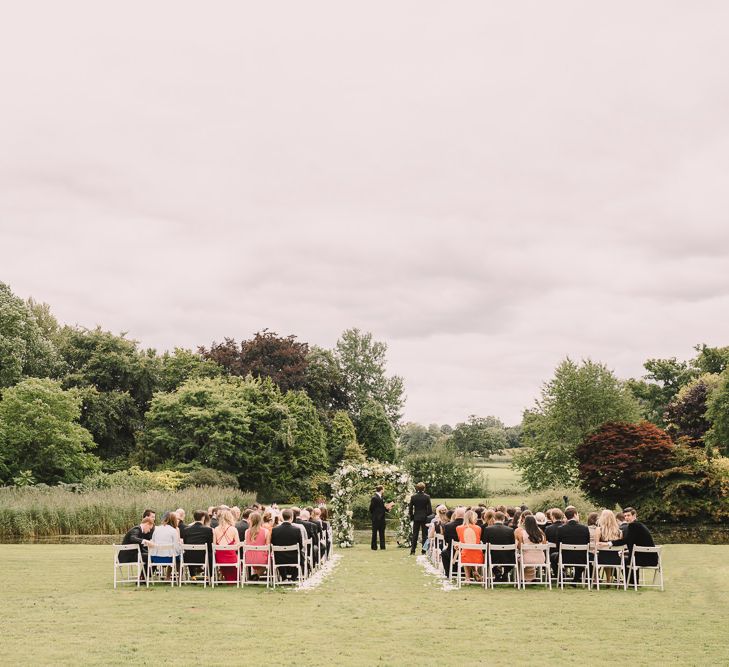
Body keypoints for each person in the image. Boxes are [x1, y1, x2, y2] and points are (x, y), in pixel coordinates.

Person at [609, 507, 657, 584]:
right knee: (628, 558)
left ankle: (632, 583)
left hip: (643, 559)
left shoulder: (633, 526)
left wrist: (610, 543)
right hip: (652, 559)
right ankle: (633, 582)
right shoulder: (639, 525)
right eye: (625, 516)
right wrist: (628, 552)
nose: (626, 518)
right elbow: (635, 543)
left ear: (634, 516)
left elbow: (626, 540)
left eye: (628, 515)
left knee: (623, 560)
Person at [556, 508, 591, 584]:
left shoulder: (561, 529)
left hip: (565, 558)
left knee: (553, 557)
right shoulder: (584, 528)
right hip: (581, 559)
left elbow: (558, 546)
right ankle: (575, 579)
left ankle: (561, 578)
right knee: (584, 556)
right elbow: (588, 543)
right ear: (575, 515)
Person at [481, 511, 516, 583]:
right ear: (503, 519)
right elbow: (513, 546)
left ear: (494, 518)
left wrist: (484, 553)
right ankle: (505, 573)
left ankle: (497, 573)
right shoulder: (510, 530)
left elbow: (485, 544)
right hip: (507, 558)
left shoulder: (488, 529)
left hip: (492, 557)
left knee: (487, 556)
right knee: (512, 555)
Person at [271, 508, 305, 581]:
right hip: (294, 558)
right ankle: (293, 577)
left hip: (279, 558)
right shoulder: (296, 530)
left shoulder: (274, 530)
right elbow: (301, 545)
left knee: (278, 555)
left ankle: (284, 577)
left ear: (282, 517)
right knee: (301, 556)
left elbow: (272, 544)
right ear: (291, 517)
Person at [149, 511, 183, 577]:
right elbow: (176, 547)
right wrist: (181, 551)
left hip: (155, 558)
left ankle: (167, 577)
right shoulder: (173, 531)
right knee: (179, 557)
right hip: (169, 558)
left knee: (174, 555)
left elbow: (152, 542)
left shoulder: (157, 529)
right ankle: (180, 579)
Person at [594, 509, 624, 584]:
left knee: (597, 556)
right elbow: (620, 544)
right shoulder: (619, 531)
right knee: (609, 555)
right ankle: (608, 580)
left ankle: (595, 579)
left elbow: (596, 545)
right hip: (616, 559)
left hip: (602, 558)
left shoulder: (599, 530)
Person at [181, 510, 214, 576]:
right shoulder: (208, 530)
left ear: (194, 518)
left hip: (188, 558)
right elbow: (210, 546)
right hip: (203, 558)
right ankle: (209, 576)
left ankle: (192, 575)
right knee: (210, 554)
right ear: (203, 518)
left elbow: (185, 544)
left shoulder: (186, 530)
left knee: (189, 551)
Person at [517, 514, 547, 582]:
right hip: (541, 559)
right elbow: (544, 546)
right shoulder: (541, 533)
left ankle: (521, 579)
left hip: (526, 560)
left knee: (517, 559)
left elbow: (519, 547)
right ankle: (531, 578)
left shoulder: (522, 533)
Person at [456, 510, 483, 582]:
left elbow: (461, 540)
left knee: (466, 551)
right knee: (471, 551)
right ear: (472, 518)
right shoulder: (478, 528)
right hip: (478, 556)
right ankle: (475, 572)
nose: (477, 520)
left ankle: (467, 578)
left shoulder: (458, 528)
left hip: (465, 556)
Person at [212, 508, 239, 583]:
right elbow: (237, 546)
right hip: (231, 557)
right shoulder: (233, 529)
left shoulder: (216, 529)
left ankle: (222, 576)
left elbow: (214, 545)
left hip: (219, 558)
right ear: (230, 518)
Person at [243, 511, 271, 579]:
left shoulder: (247, 532)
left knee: (260, 558)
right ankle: (257, 575)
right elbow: (268, 546)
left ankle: (256, 575)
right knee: (270, 560)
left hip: (249, 559)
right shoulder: (266, 531)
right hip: (261, 559)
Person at [409, 482, 433, 555]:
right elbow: (430, 509)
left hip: (416, 517)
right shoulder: (427, 497)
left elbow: (410, 509)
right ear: (424, 488)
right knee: (425, 535)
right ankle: (424, 550)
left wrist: (412, 516)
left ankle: (413, 550)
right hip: (424, 517)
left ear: (417, 488)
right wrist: (427, 516)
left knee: (415, 534)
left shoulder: (413, 497)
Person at [441, 507, 465, 576]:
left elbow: (446, 540)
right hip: (465, 552)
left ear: (456, 514)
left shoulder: (448, 525)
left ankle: (448, 573)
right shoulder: (467, 525)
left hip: (452, 551)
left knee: (444, 553)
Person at [369, 485, 394, 551]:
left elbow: (382, 507)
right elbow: (371, 508)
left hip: (382, 518)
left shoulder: (381, 497)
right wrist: (375, 515)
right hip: (376, 518)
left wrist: (388, 508)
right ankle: (374, 547)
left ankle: (382, 546)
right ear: (381, 490)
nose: (384, 490)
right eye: (383, 489)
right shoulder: (374, 497)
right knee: (374, 533)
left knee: (382, 532)